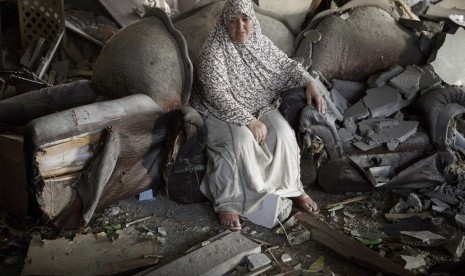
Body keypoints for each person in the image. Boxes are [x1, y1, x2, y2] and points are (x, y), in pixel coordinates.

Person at [190, 0, 326, 231]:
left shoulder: (259, 42)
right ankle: (229, 202)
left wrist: (308, 81)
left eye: (245, 19)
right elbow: (215, 95)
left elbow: (285, 64)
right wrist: (249, 121)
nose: (240, 27)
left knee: (283, 135)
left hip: (258, 104)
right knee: (240, 143)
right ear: (225, 24)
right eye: (233, 21)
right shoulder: (213, 51)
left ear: (253, 20)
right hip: (218, 110)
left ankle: (291, 189)